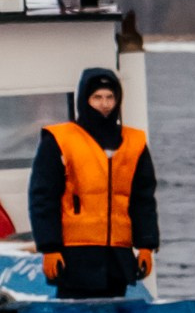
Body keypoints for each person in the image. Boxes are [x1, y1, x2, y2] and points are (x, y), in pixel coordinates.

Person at [28, 67, 157, 300]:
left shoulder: (134, 142)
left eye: (110, 97)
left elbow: (142, 199)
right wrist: (49, 247)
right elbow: (43, 198)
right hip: (75, 255)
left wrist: (146, 245)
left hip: (117, 257)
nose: (104, 104)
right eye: (97, 97)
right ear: (84, 100)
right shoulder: (59, 140)